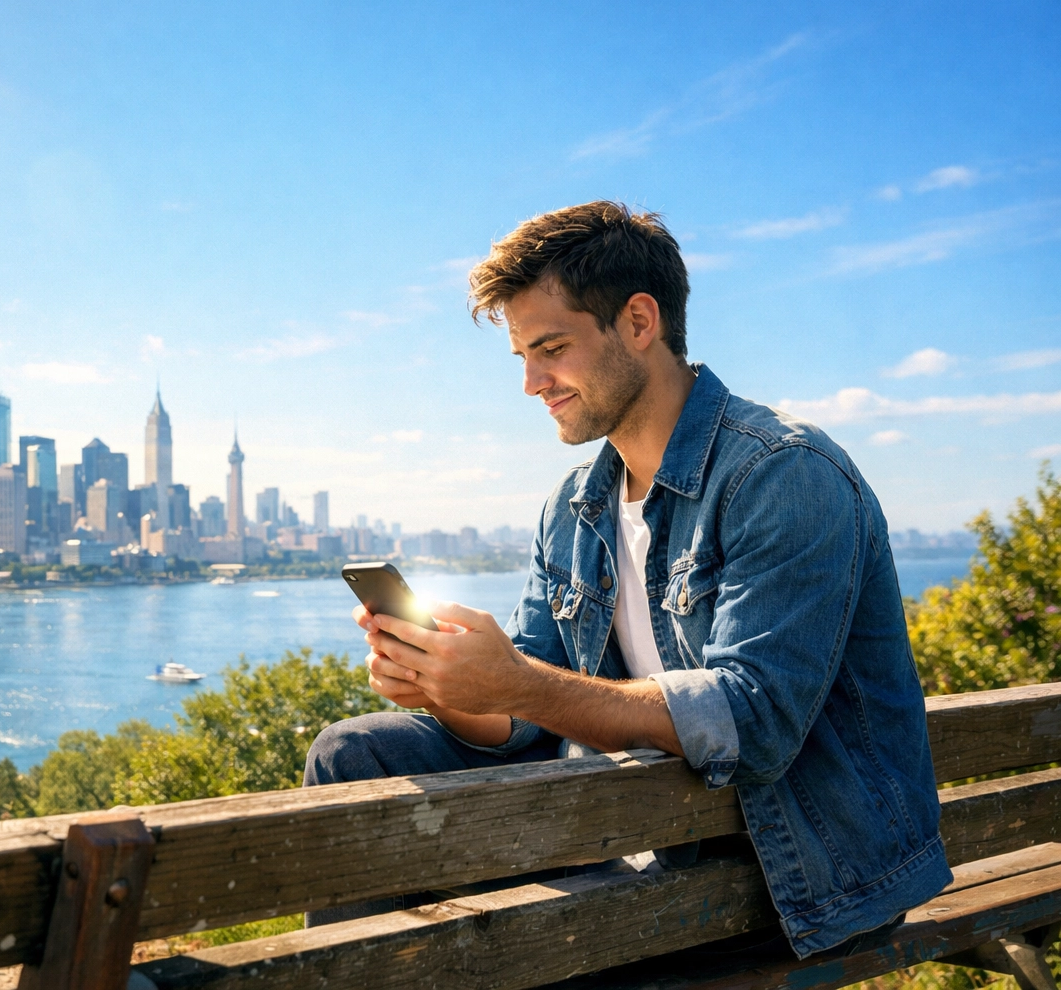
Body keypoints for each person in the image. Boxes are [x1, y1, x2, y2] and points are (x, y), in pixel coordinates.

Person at [303, 201, 951, 958]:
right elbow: (530, 719)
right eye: (522, 358)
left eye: (551, 348)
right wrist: (456, 690)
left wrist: (514, 683)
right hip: (634, 831)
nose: (532, 384)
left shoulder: (783, 473)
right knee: (353, 754)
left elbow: (754, 724)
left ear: (640, 323)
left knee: (482, 953)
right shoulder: (573, 507)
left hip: (788, 873)